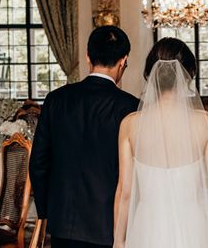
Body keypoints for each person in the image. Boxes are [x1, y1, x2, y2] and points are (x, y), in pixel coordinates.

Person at [113, 38, 208, 248]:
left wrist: (119, 240)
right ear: (189, 75)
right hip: (193, 225)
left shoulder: (130, 125)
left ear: (150, 75)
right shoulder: (206, 122)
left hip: (147, 227)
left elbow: (125, 191)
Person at [30, 25, 138, 248]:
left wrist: (45, 211)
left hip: (62, 220)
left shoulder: (55, 99)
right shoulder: (130, 106)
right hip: (108, 222)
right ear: (123, 60)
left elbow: (39, 162)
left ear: (88, 57)